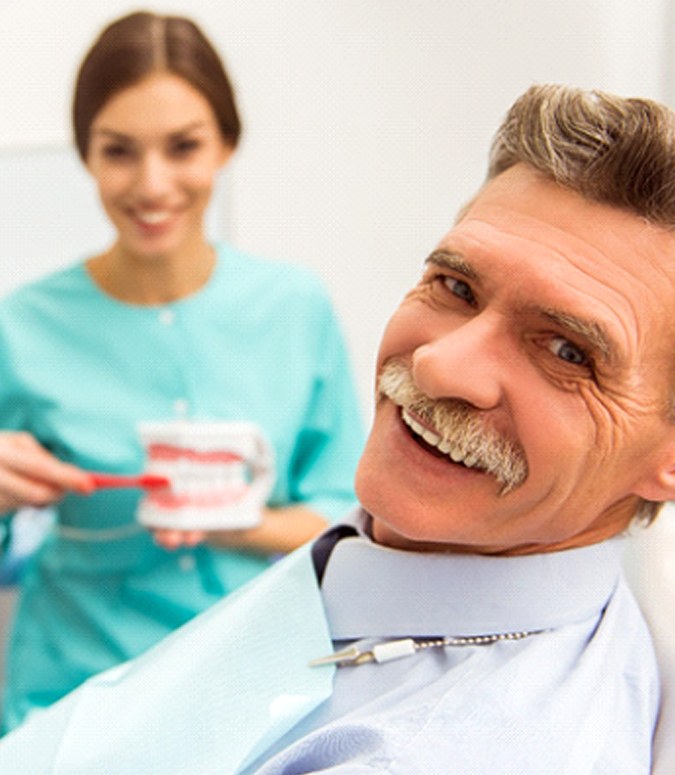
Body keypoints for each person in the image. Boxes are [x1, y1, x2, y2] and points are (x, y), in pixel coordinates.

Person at [0, 81, 671, 773]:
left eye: (566, 351)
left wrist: (240, 522)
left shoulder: (440, 746)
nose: (440, 365)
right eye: (456, 286)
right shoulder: (386, 557)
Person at [0, 11, 363, 732]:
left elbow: (350, 512)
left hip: (260, 687)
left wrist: (241, 524)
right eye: (119, 151)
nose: (152, 183)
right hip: (72, 694)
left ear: (226, 143)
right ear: (86, 155)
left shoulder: (293, 305)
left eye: (183, 146)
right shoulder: (22, 324)